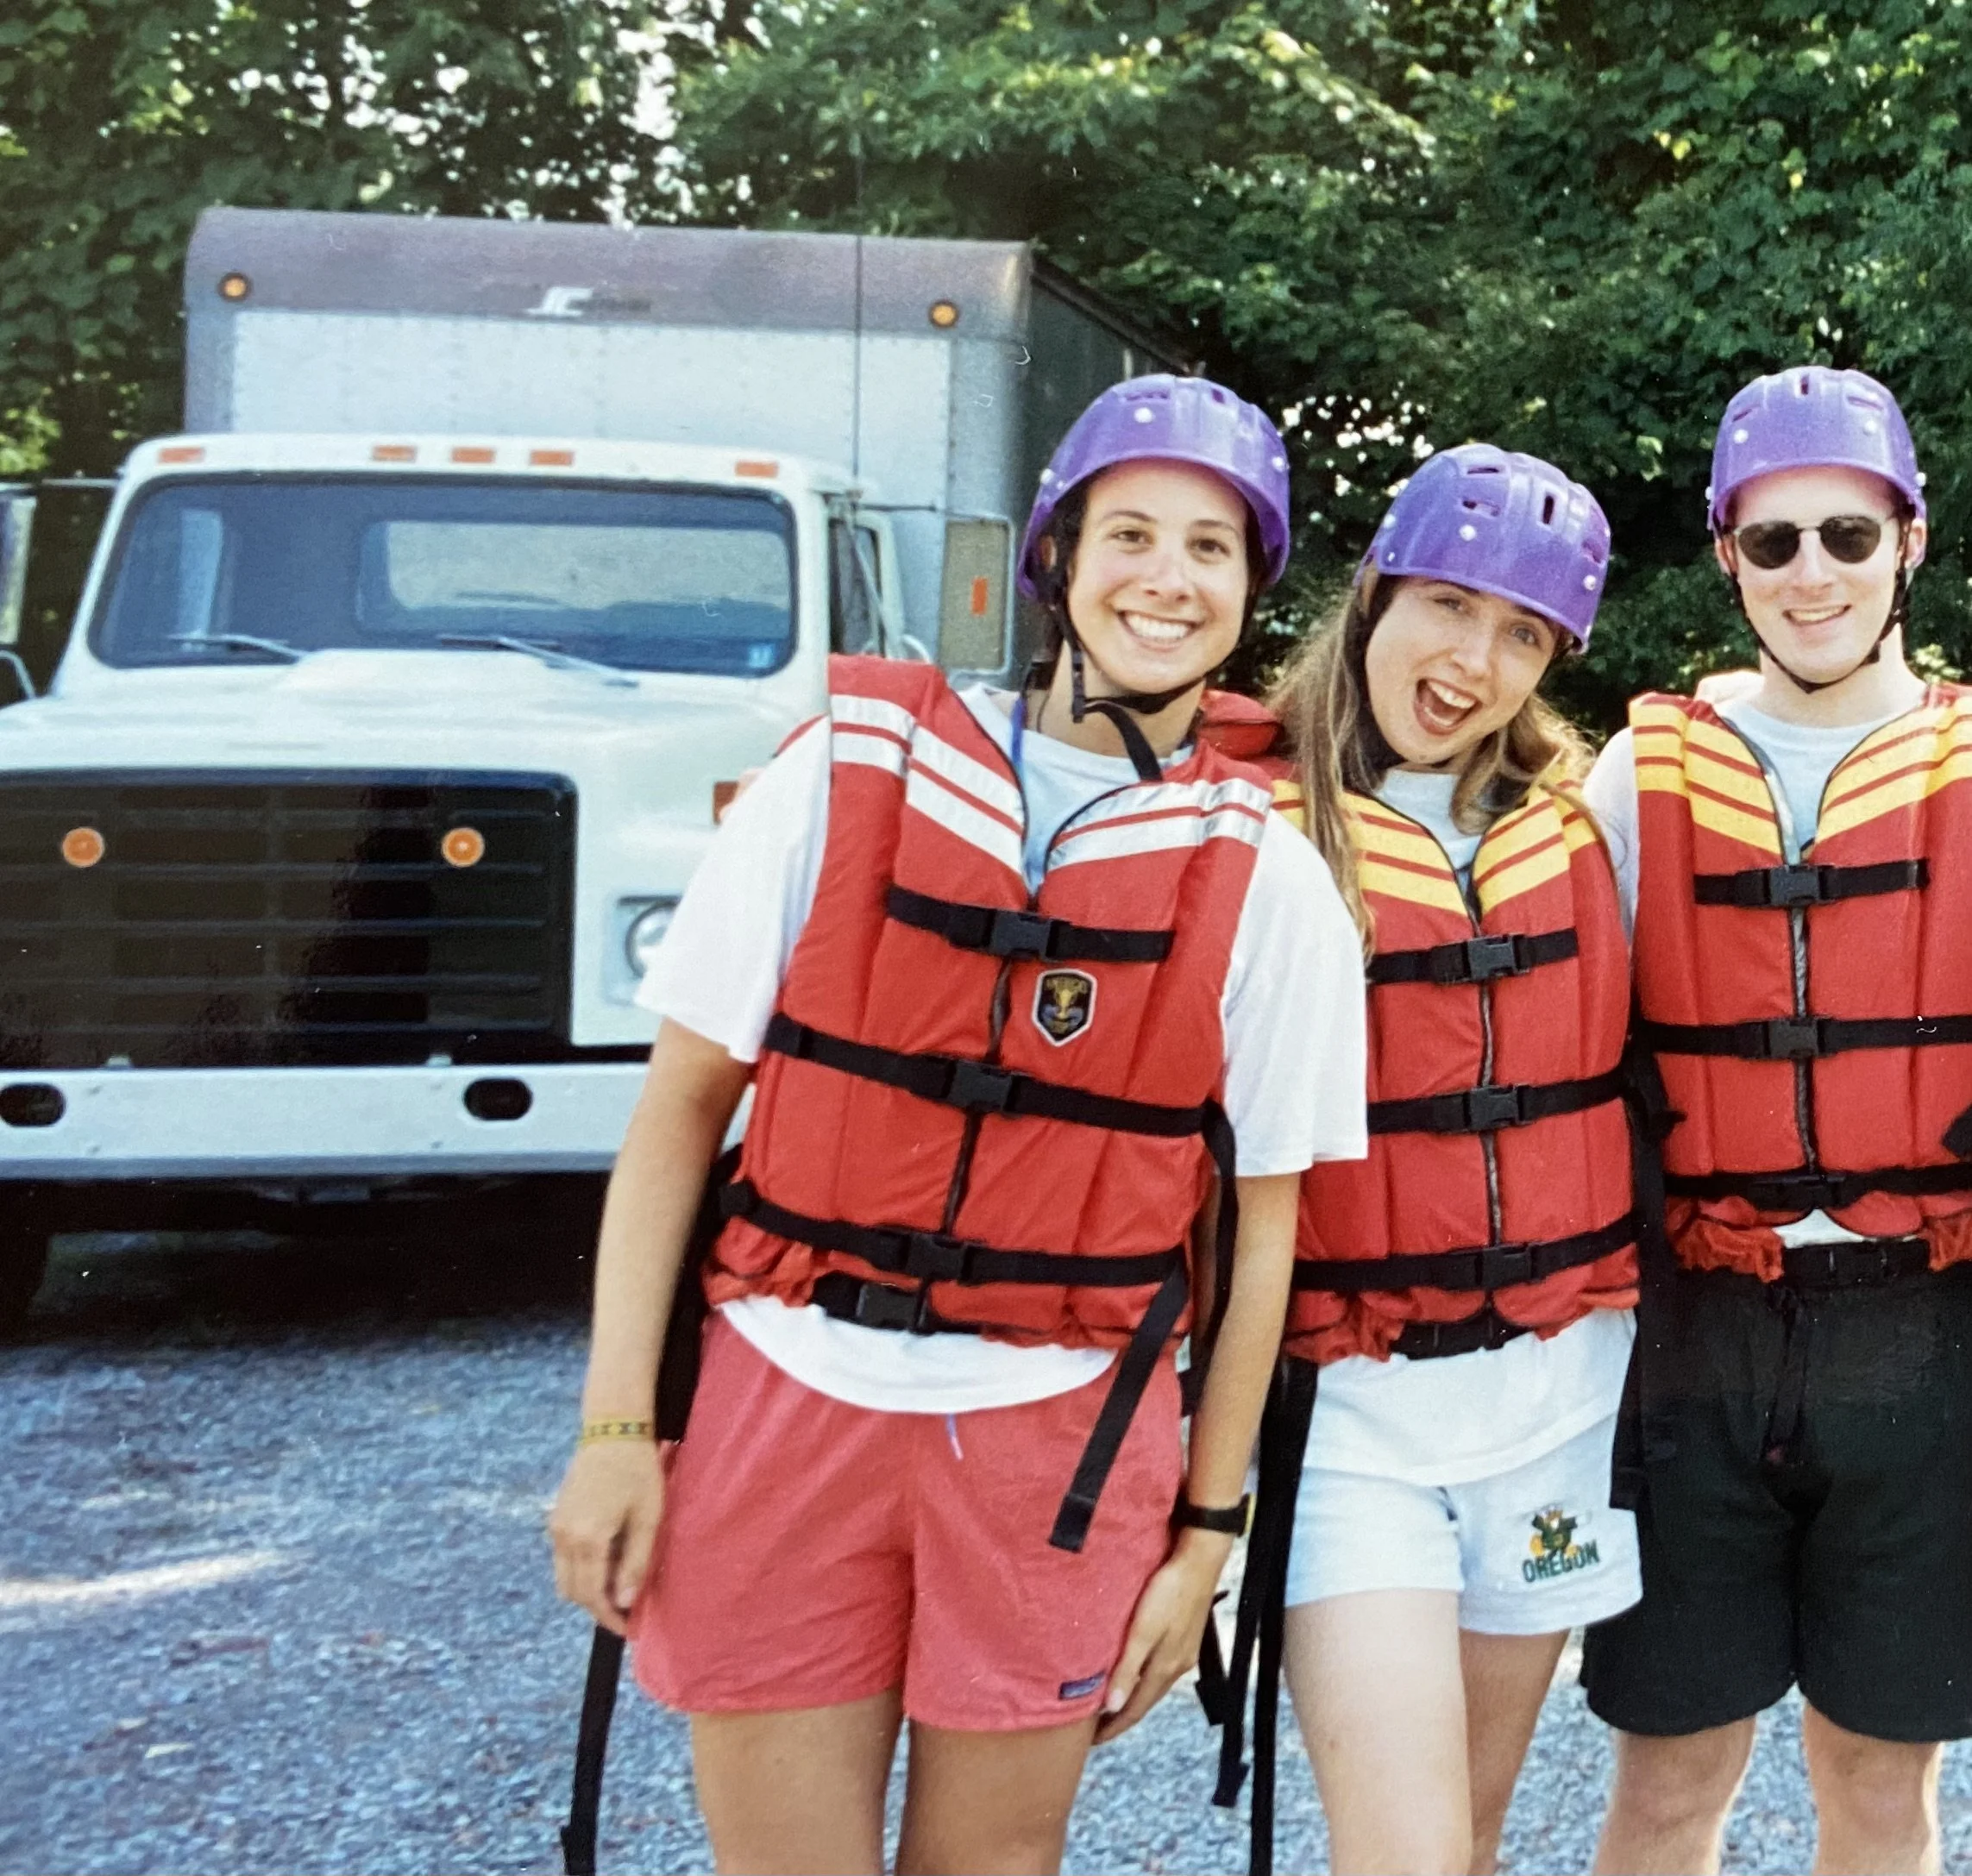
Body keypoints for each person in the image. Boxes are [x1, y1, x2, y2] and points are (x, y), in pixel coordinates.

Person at [548, 373, 1368, 1876]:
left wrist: (1206, 1533)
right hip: (790, 1391)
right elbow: (675, 1117)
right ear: (1058, 554)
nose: (1166, 578)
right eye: (1130, 534)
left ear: (1251, 589)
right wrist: (613, 1429)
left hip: (1058, 1438)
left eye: (1210, 547)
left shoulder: (1270, 876)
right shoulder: (838, 776)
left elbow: (1262, 1236)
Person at [1205, 444, 1642, 1876]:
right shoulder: (1248, 824)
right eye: (1448, 605)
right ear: (1375, 593)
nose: (1472, 661)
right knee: (1402, 1852)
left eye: (1521, 634)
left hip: (1555, 1407)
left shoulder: (1576, 827)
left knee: (1473, 1832)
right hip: (1353, 1420)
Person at [1579, 364, 1970, 1876]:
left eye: (1847, 536)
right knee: (1667, 1779)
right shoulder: (1640, 772)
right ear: (1726, 555)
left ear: (1908, 543)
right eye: (1771, 539)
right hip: (1697, 1332)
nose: (1811, 573)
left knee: (1876, 1782)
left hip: (1922, 1326)